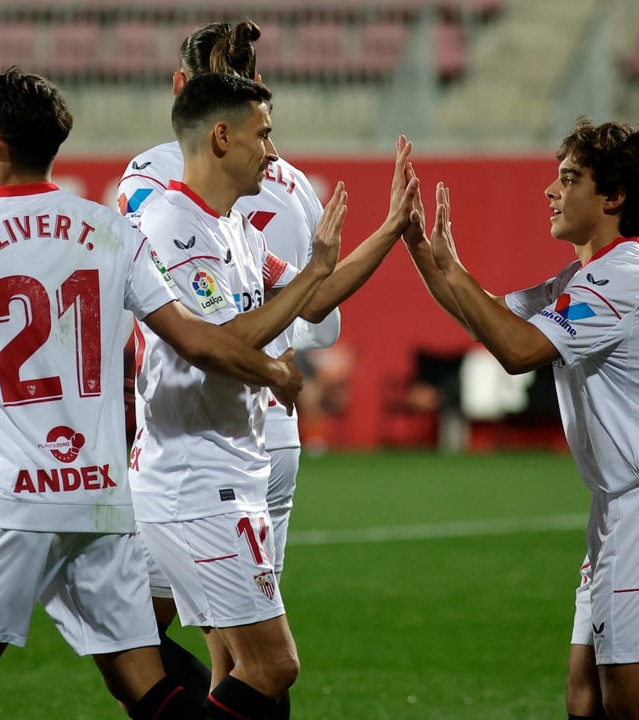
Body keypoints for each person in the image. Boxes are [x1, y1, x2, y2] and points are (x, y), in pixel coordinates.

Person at [0, 67, 308, 720]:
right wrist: (272, 372)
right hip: (99, 496)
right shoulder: (111, 230)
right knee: (141, 682)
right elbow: (195, 338)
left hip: (9, 496)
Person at [403, 118, 639, 720]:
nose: (551, 190)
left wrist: (452, 266)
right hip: (622, 502)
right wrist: (421, 248)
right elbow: (487, 318)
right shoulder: (589, 275)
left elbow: (518, 351)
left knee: (631, 696)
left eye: (569, 179)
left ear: (613, 197)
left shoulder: (619, 278)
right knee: (585, 694)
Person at [131, 72, 416, 720]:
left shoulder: (236, 227)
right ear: (221, 137)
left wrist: (391, 228)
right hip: (195, 477)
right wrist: (272, 370)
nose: (272, 150)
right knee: (272, 666)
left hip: (227, 469)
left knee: (234, 665)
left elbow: (313, 297)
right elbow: (216, 341)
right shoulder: (172, 224)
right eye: (263, 134)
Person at [115, 21, 341, 712]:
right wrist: (274, 365)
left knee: (149, 637)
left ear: (181, 87)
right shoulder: (291, 182)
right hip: (270, 434)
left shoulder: (149, 179)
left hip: (193, 435)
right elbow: (321, 322)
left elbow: (167, 312)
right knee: (249, 647)